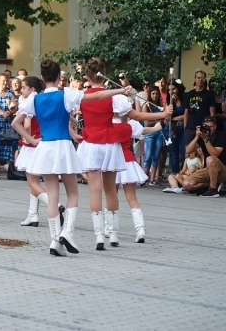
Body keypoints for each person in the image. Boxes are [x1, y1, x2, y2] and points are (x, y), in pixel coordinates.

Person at [12, 59, 134, 256]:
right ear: (60, 78)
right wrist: (120, 91)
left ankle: (55, 240)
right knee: (73, 194)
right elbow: (98, 95)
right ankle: (67, 233)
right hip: (63, 146)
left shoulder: (34, 99)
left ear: (42, 78)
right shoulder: (67, 94)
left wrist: (33, 141)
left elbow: (16, 123)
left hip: (45, 148)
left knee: (52, 196)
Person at [75, 58, 171, 250]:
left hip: (91, 143)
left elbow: (68, 113)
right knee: (111, 190)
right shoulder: (113, 97)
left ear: (87, 76)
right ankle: (114, 235)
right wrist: (161, 114)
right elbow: (136, 116)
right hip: (110, 144)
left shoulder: (81, 96)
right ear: (105, 75)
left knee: (95, 190)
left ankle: (99, 236)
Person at [15, 76, 64, 228]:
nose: (21, 90)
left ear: (32, 89)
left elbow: (27, 125)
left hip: (32, 145)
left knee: (32, 182)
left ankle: (54, 205)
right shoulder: (44, 101)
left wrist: (27, 138)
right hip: (44, 142)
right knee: (35, 183)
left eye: (23, 87)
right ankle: (33, 214)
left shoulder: (30, 102)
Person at [111, 117, 161, 244]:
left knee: (111, 196)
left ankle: (110, 229)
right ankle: (140, 231)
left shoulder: (108, 123)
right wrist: (156, 128)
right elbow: (143, 130)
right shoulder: (130, 125)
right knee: (132, 198)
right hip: (128, 162)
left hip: (113, 162)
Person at [179, 116, 226, 196]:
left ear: (215, 127)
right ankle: (210, 184)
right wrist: (197, 136)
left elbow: (214, 154)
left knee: (210, 159)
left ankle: (213, 189)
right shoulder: (202, 136)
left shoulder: (221, 135)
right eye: (206, 127)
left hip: (222, 170)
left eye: (210, 127)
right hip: (207, 169)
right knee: (186, 184)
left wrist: (206, 139)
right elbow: (188, 151)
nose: (208, 129)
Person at [183, 71, 215, 146]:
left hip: (204, 128)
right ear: (195, 79)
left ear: (205, 80)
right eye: (198, 78)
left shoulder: (209, 95)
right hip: (190, 128)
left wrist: (210, 129)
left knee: (203, 152)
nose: (200, 80)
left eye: (202, 78)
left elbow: (212, 114)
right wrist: (185, 128)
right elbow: (186, 112)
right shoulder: (189, 94)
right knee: (189, 153)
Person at [141, 87, 165, 185]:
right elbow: (146, 123)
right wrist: (158, 121)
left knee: (156, 156)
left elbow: (163, 119)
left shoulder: (160, 106)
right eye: (153, 93)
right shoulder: (146, 105)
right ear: (150, 95)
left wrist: (160, 121)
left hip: (159, 133)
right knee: (148, 156)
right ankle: (143, 178)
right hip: (150, 133)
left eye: (156, 93)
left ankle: (153, 179)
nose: (155, 95)